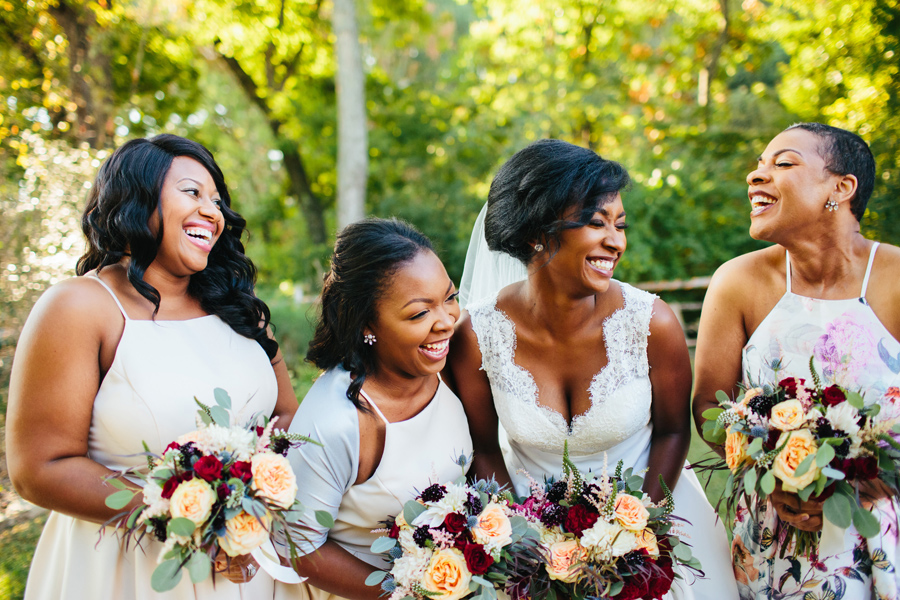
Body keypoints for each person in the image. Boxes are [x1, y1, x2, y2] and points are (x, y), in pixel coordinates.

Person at [6, 134, 298, 599]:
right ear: (137, 199)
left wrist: (254, 502)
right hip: (127, 572)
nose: (213, 212)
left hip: (247, 570)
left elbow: (285, 417)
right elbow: (38, 467)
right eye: (192, 193)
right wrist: (194, 516)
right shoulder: (80, 307)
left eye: (217, 201)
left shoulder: (241, 311)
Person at [447, 138, 737, 599]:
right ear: (536, 233)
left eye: (619, 225)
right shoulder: (476, 334)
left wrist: (636, 534)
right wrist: (524, 543)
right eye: (595, 222)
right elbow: (484, 449)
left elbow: (672, 432)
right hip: (533, 542)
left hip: (653, 522)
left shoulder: (651, 324)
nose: (615, 241)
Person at [692, 122, 900, 598]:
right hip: (771, 529)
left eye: (783, 163)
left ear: (841, 188)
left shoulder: (895, 278)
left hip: (878, 524)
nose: (755, 175)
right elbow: (708, 408)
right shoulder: (737, 281)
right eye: (759, 165)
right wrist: (774, 469)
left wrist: (853, 481)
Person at [274, 218, 473, 600]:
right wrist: (404, 594)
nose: (446, 322)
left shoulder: (447, 367)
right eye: (419, 314)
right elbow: (297, 546)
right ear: (368, 324)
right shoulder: (338, 421)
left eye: (449, 297)